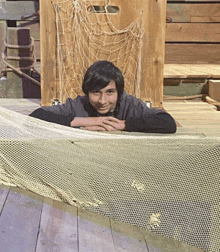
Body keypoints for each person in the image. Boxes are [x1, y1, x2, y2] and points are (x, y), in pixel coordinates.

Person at [29, 60, 176, 133]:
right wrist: (88, 121)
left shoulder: (130, 104)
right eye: (96, 92)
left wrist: (123, 124)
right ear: (87, 93)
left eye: (110, 92)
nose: (102, 101)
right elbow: (35, 116)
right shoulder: (77, 105)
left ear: (119, 92)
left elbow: (168, 123)